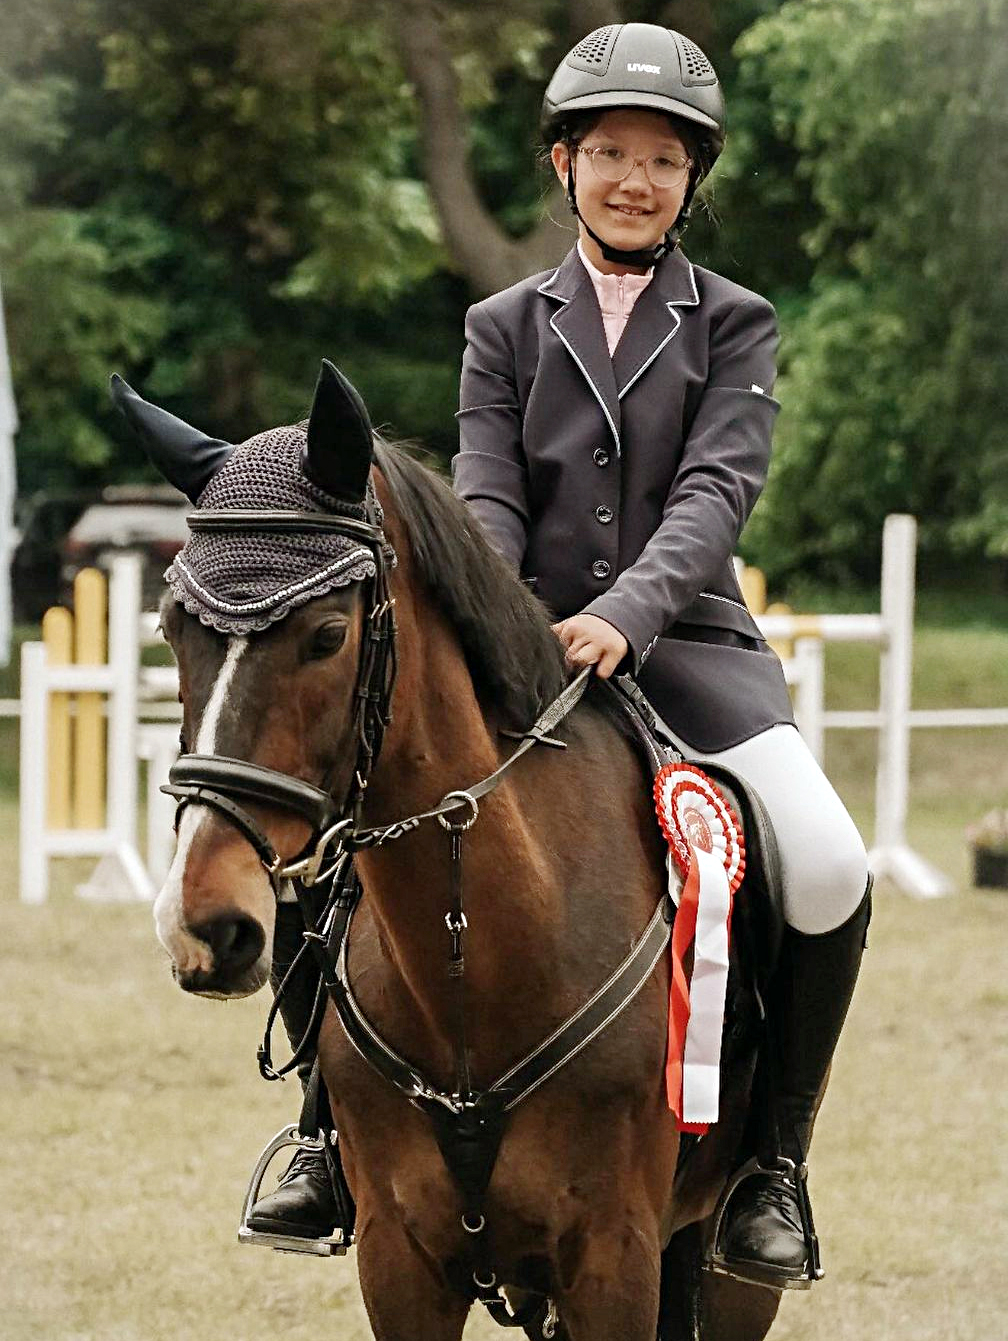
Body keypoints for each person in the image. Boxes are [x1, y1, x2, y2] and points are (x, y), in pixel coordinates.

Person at [450, 22, 872, 1290]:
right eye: (612, 154)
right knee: (374, 829)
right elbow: (483, 498)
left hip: (688, 652)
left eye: (665, 161)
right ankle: (318, 1133)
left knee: (832, 864)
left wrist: (624, 617)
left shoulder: (737, 323)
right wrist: (514, 627)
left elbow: (715, 494)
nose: (637, 180)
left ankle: (774, 1168)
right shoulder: (501, 324)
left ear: (694, 180)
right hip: (526, 658)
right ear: (564, 163)